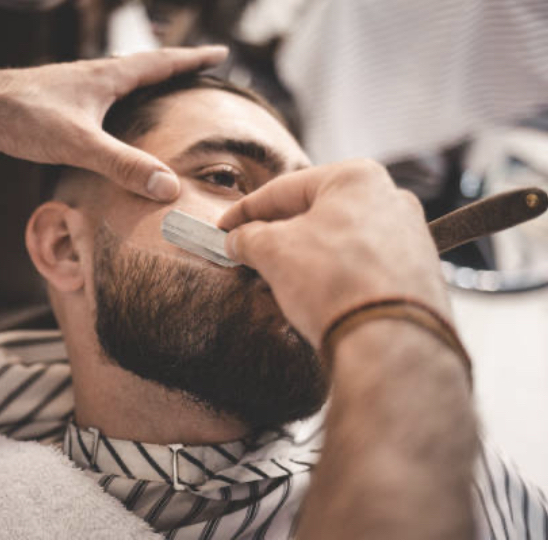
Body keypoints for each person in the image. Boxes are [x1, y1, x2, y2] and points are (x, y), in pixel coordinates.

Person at [0, 51, 546, 539]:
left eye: (311, 205)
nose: (303, 232)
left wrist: (394, 320)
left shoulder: (455, 486)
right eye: (224, 176)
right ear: (66, 247)